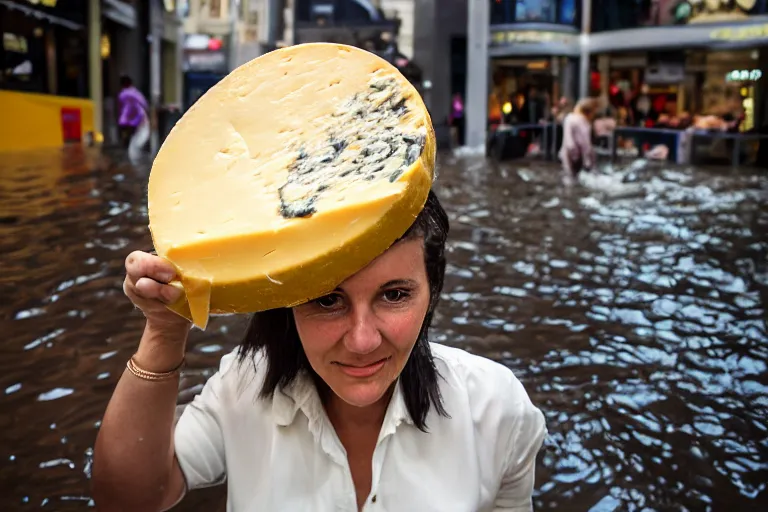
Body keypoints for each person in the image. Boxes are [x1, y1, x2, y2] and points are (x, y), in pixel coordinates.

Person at [92, 190, 548, 511]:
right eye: (328, 300)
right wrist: (163, 332)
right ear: (287, 301)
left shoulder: (497, 410)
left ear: (432, 292)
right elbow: (130, 499)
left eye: (394, 295)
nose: (363, 339)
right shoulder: (242, 389)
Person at [559, 98, 597, 186]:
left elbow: (567, 138)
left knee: (568, 178)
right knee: (578, 180)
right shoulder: (584, 122)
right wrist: (589, 161)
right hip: (578, 154)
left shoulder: (569, 118)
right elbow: (585, 143)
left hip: (566, 152)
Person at [117, 75, 150, 159]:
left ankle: (139, 166)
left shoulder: (123, 95)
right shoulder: (136, 93)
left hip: (134, 123)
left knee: (133, 150)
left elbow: (124, 111)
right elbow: (145, 105)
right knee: (136, 147)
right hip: (142, 122)